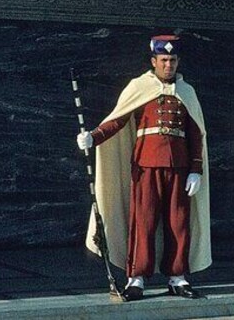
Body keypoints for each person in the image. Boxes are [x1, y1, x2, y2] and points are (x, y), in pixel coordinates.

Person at [76, 34, 211, 301]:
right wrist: (94, 136)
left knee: (178, 223)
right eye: (163, 60)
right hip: (145, 165)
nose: (168, 65)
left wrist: (196, 169)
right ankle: (136, 278)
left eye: (172, 60)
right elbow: (118, 119)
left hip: (179, 167)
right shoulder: (139, 87)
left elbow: (196, 134)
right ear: (153, 61)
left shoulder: (188, 92)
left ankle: (177, 277)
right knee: (143, 222)